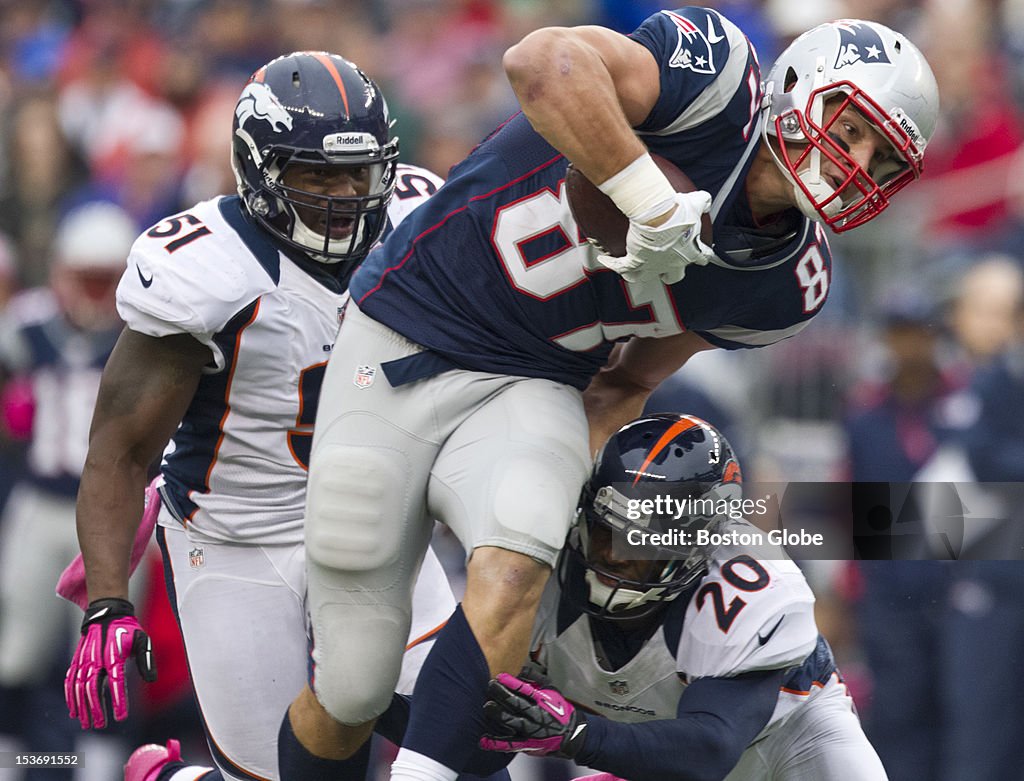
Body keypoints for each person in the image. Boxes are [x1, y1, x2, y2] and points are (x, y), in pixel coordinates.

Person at [289, 10, 938, 781]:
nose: (857, 160)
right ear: (798, 87)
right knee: (354, 684)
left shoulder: (788, 282)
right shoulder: (717, 84)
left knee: (518, 559)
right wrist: (647, 198)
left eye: (884, 157)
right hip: (408, 322)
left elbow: (627, 378)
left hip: (533, 379)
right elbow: (539, 60)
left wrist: (591, 515)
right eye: (853, 126)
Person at [61, 52, 456, 781]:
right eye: (315, 175)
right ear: (258, 170)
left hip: (376, 519)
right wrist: (110, 603)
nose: (343, 195)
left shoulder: (415, 220)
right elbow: (120, 451)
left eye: (358, 173)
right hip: (239, 533)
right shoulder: (205, 271)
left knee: (463, 738)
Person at [477, 413, 886, 780]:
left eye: (640, 541)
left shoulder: (749, 585)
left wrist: (578, 734)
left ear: (699, 545)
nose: (612, 556)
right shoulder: (539, 568)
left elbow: (711, 747)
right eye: (606, 532)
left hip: (789, 745)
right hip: (654, 755)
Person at [0, 201, 137, 781]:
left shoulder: (142, 334)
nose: (97, 293)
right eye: (88, 278)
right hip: (40, 504)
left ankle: (101, 768)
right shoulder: (29, 327)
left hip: (114, 516)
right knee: (15, 650)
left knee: (111, 653)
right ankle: (15, 760)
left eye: (108, 279)